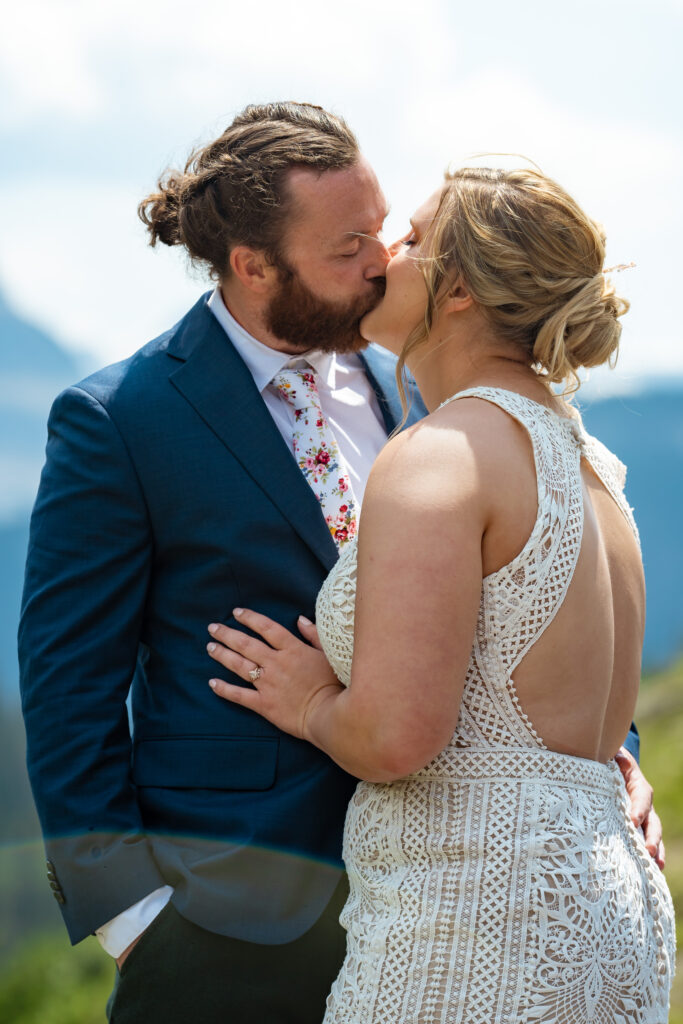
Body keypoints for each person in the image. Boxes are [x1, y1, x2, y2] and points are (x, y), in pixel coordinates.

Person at [18, 102, 657, 1024]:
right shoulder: (122, 419)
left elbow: (526, 603)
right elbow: (67, 680)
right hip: (234, 918)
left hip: (451, 900)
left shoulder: (427, 400)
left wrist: (606, 764)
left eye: (385, 227)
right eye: (348, 244)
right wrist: (131, 913)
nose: (379, 260)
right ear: (252, 265)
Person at [206, 166, 676, 1022]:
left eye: (414, 239)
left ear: (457, 289)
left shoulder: (442, 453)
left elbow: (394, 739)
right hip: (614, 910)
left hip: (481, 922)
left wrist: (313, 702)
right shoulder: (594, 470)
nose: (387, 252)